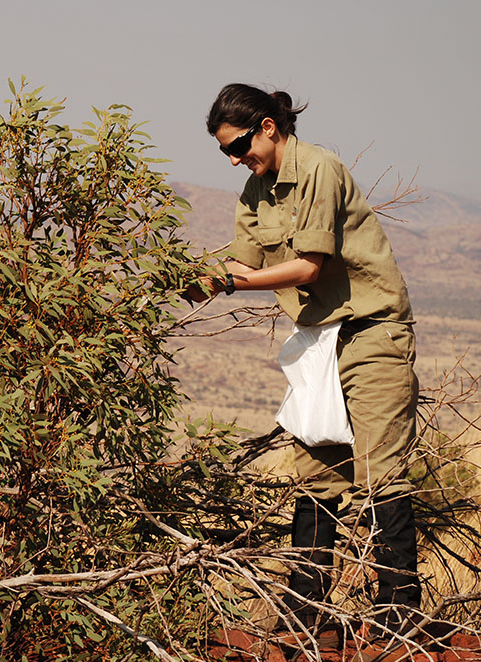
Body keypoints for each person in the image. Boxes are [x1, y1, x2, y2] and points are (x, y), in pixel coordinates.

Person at [189, 83, 421, 652]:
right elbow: (242, 261)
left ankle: (397, 617)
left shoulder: (319, 168)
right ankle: (305, 610)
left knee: (379, 473)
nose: (234, 157)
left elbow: (307, 268)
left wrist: (227, 281)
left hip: (370, 331)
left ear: (269, 126)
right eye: (223, 151)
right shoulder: (253, 191)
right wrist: (191, 275)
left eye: (238, 144)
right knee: (315, 477)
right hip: (317, 340)